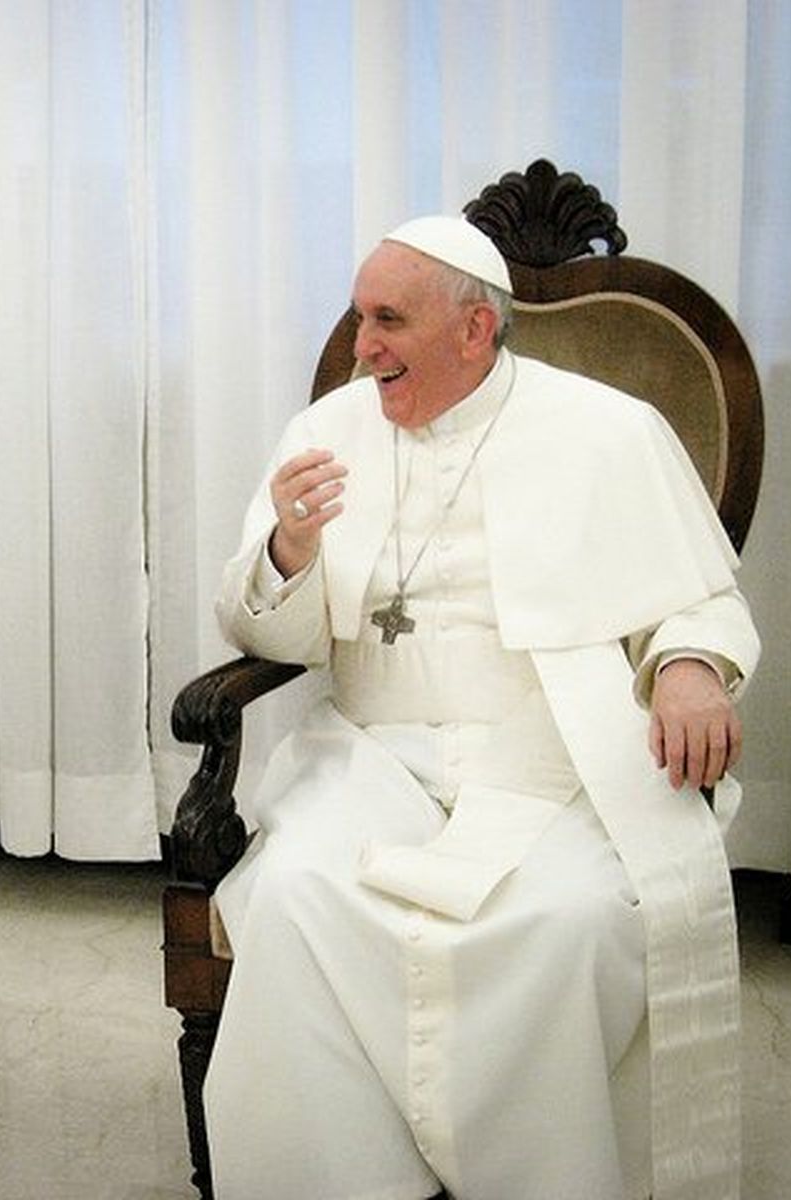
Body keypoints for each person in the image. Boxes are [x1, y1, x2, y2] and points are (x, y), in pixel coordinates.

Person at [202, 216, 758, 1200]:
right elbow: (273, 635)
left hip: (562, 754)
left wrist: (687, 668)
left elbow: (696, 593)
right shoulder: (326, 432)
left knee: (572, 918)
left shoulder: (608, 428)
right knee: (295, 896)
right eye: (358, 316)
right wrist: (287, 554)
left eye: (387, 320)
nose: (362, 345)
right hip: (372, 750)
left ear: (473, 331)